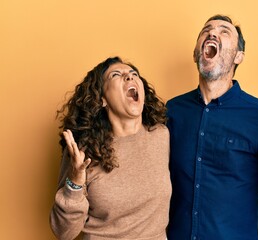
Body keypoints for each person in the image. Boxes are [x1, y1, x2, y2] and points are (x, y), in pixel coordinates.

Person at [166, 15, 258, 240]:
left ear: (239, 57)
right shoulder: (172, 111)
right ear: (196, 53)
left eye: (224, 31)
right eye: (206, 30)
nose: (212, 33)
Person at [50, 56, 171, 240]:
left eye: (133, 74)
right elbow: (64, 233)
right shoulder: (84, 150)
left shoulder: (161, 135)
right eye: (116, 75)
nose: (129, 77)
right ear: (102, 99)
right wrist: (74, 183)